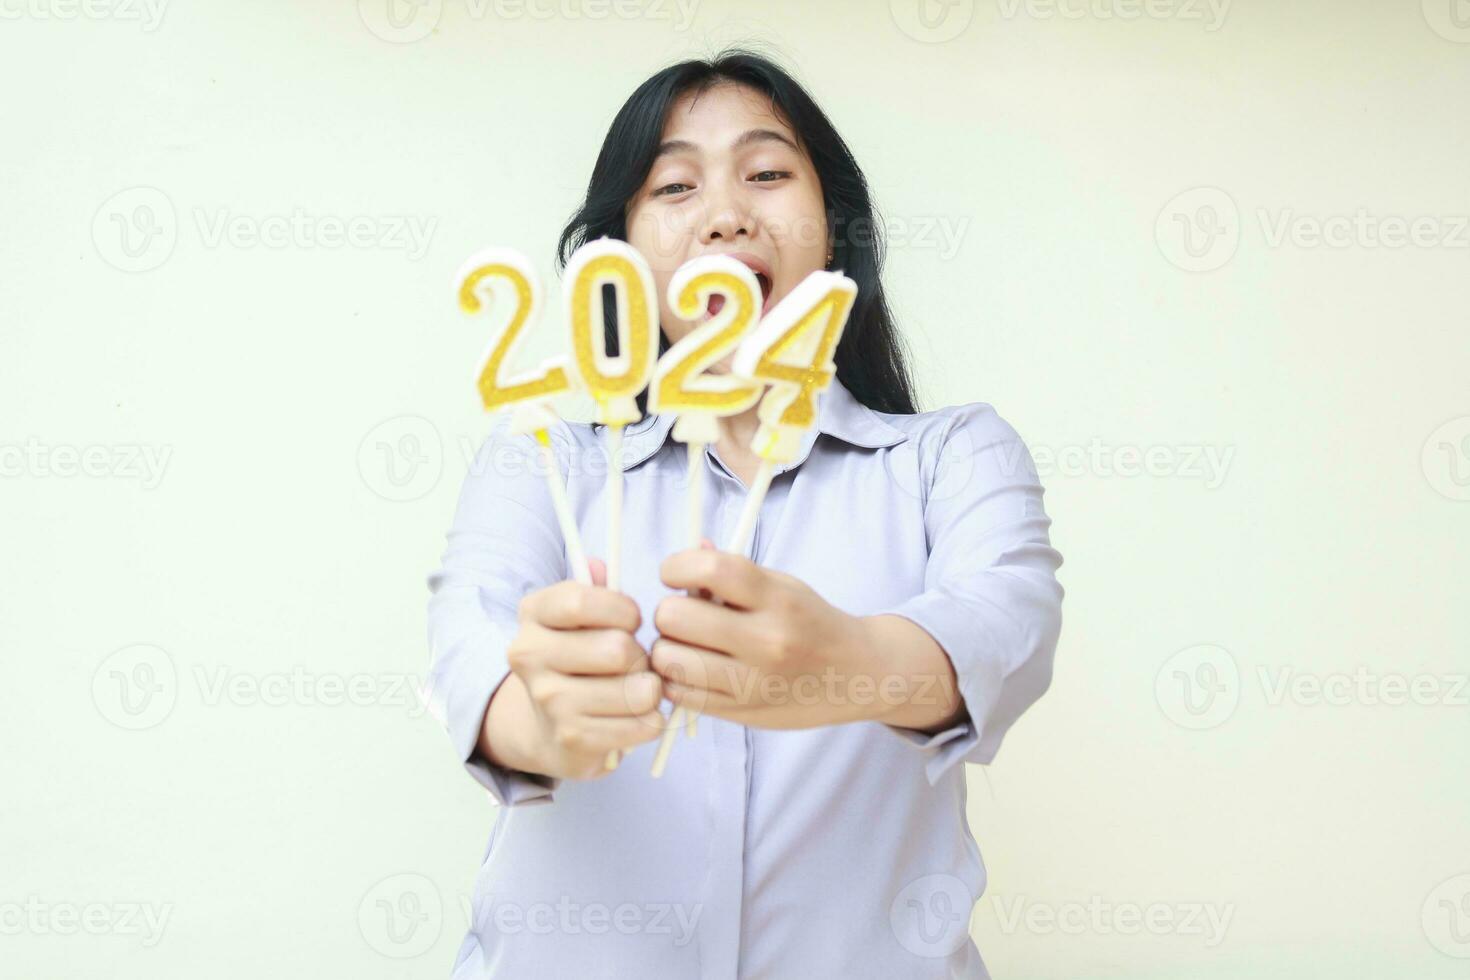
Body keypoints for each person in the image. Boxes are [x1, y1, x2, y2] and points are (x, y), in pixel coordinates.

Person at [425, 48, 1064, 980]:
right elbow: (467, 664)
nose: (727, 214)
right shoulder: (544, 468)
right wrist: (549, 722)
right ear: (619, 261)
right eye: (674, 186)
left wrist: (844, 664)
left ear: (834, 232)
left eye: (767, 173)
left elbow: (1008, 635)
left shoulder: (950, 457)